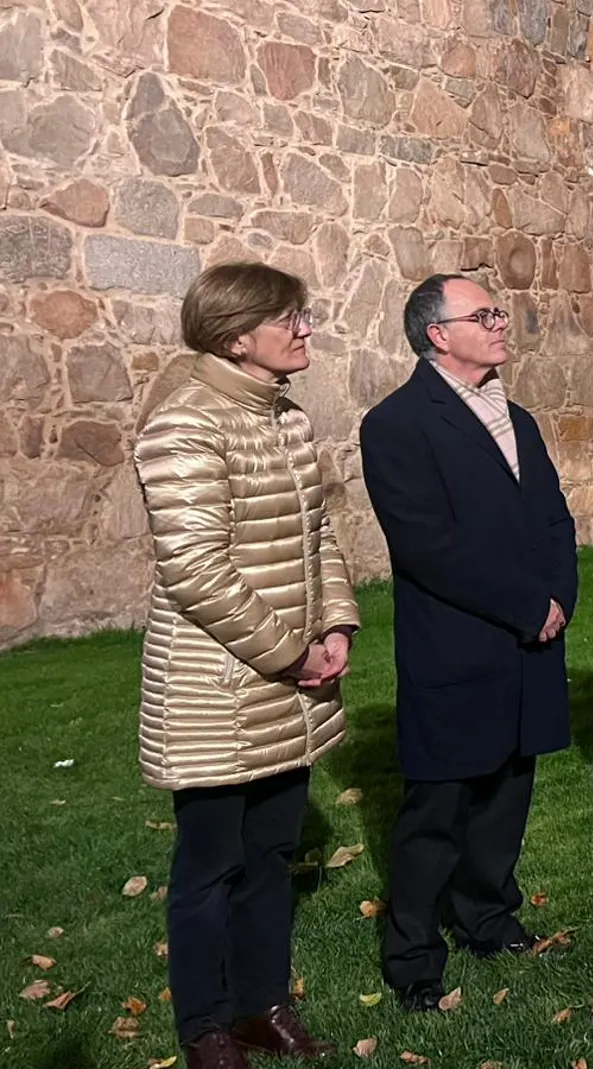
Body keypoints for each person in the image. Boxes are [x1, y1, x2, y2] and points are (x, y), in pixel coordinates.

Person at [134, 262, 357, 1069]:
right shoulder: (183, 427)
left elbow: (316, 535)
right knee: (209, 866)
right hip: (216, 689)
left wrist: (336, 623)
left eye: (305, 314)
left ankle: (262, 1003)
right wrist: (288, 651)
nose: (306, 330)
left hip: (289, 684)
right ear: (236, 336)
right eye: (290, 319)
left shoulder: (285, 419)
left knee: (271, 854)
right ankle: (206, 1029)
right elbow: (194, 568)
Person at [359, 274, 578, 1010]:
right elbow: (428, 546)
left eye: (499, 310)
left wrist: (559, 597)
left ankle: (486, 912)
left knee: (509, 791)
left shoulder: (517, 416)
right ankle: (413, 952)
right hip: (460, 643)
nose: (501, 322)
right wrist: (524, 603)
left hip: (530, 643)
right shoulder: (396, 424)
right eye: (483, 314)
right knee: (438, 811)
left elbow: (553, 517)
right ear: (437, 334)